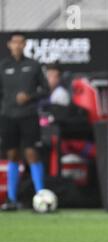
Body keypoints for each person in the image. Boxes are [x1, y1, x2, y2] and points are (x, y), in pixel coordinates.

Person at [0, 32, 49, 211]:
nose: (18, 45)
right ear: (9, 45)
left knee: (31, 154)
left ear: (25, 44)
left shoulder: (34, 65)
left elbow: (45, 90)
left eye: (21, 42)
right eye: (15, 42)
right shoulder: (3, 66)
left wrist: (29, 97)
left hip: (28, 115)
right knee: (12, 155)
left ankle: (41, 197)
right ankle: (12, 199)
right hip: (8, 116)